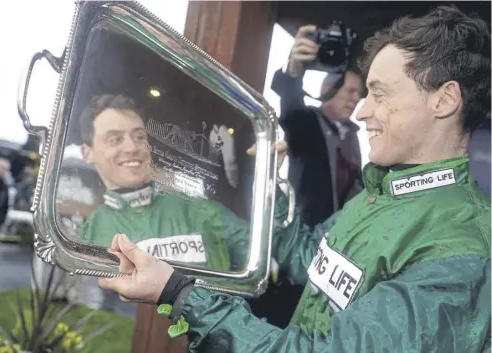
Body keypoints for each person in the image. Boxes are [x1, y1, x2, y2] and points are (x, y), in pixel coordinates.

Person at [98, 6, 491, 352]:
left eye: (380, 94)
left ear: (444, 100)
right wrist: (271, 185)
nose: (362, 111)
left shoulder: (463, 249)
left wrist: (180, 294)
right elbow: (306, 257)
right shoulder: (379, 193)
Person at [77, 94, 285, 272]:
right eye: (115, 139)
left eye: (139, 137)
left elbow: (271, 253)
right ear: (87, 153)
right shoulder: (87, 233)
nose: (132, 148)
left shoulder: (198, 210)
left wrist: (269, 181)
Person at [271, 25, 365, 228]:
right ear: (328, 90)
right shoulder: (306, 123)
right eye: (350, 91)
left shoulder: (351, 135)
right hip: (305, 234)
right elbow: (291, 108)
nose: (356, 98)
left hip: (342, 234)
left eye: (359, 93)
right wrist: (294, 72)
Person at [0, 157, 12, 239]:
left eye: (6, 169)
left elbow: (5, 207)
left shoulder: (4, 187)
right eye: (2, 167)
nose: (4, 171)